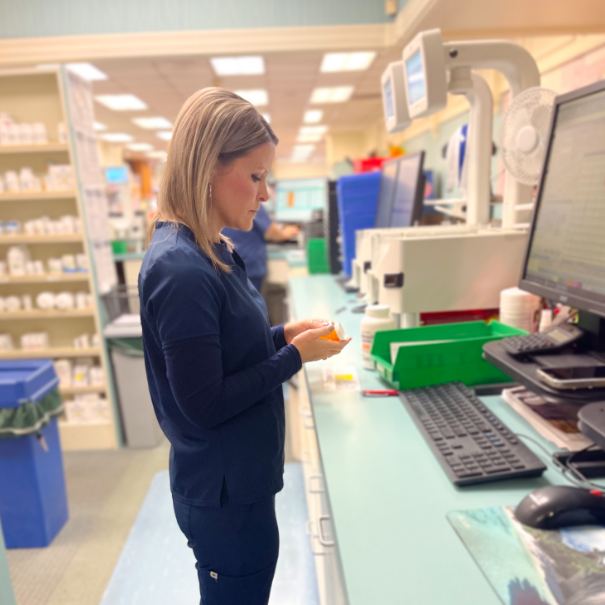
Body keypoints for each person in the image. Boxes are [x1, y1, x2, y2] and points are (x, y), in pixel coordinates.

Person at [138, 87, 351, 605]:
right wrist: (295, 358)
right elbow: (206, 404)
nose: (265, 193)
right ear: (207, 167)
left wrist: (284, 336)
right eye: (255, 176)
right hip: (223, 495)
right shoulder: (180, 268)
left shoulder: (210, 248)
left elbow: (228, 347)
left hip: (242, 484)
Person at [222, 203, 299, 293]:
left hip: (226, 265)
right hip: (249, 267)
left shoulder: (223, 201)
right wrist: (286, 233)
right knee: (250, 303)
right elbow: (271, 233)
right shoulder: (251, 201)